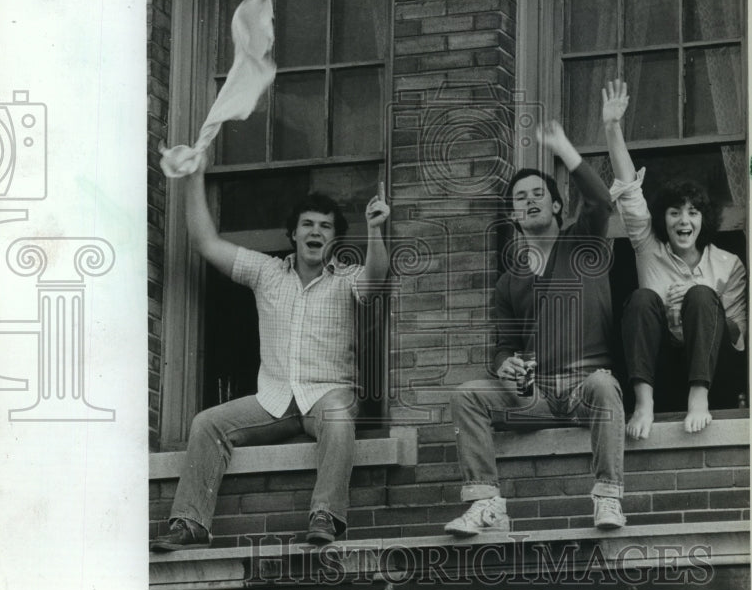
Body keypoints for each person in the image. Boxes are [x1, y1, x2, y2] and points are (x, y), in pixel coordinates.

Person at [150, 153, 390, 551]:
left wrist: (376, 229)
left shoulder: (346, 278)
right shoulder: (266, 272)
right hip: (273, 400)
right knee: (208, 424)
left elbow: (376, 281)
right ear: (293, 234)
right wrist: (194, 178)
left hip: (328, 394)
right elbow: (204, 242)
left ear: (334, 239)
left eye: (326, 227)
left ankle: (325, 515)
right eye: (308, 224)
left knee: (336, 416)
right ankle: (191, 524)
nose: (316, 231)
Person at [445, 119, 628, 536]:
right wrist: (505, 364)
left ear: (557, 206)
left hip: (586, 389)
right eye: (520, 198)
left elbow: (600, 201)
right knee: (466, 396)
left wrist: (564, 147)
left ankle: (608, 497)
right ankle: (486, 503)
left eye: (538, 195)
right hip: (536, 394)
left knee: (603, 384)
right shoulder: (510, 279)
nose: (528, 202)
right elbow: (503, 345)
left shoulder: (584, 243)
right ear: (513, 214)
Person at [602, 78, 747, 439]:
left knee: (700, 295)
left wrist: (703, 303)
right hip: (662, 374)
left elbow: (738, 336)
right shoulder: (649, 248)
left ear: (704, 219)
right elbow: (630, 195)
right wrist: (612, 128)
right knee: (641, 298)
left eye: (693, 212)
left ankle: (699, 400)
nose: (684, 221)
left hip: (715, 380)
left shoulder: (728, 264)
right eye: (674, 213)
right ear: (662, 219)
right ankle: (643, 403)